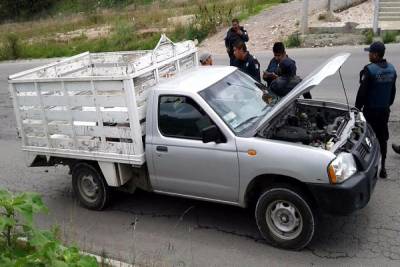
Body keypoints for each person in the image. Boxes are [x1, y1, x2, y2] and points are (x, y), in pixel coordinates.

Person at [355, 41, 397, 178]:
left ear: (376, 55)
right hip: (384, 111)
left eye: (370, 53)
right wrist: (386, 105)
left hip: (371, 112)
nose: (369, 55)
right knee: (382, 139)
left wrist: (357, 109)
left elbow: (362, 93)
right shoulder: (392, 70)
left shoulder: (369, 70)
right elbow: (392, 93)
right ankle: (383, 169)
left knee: (369, 140)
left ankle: (372, 170)